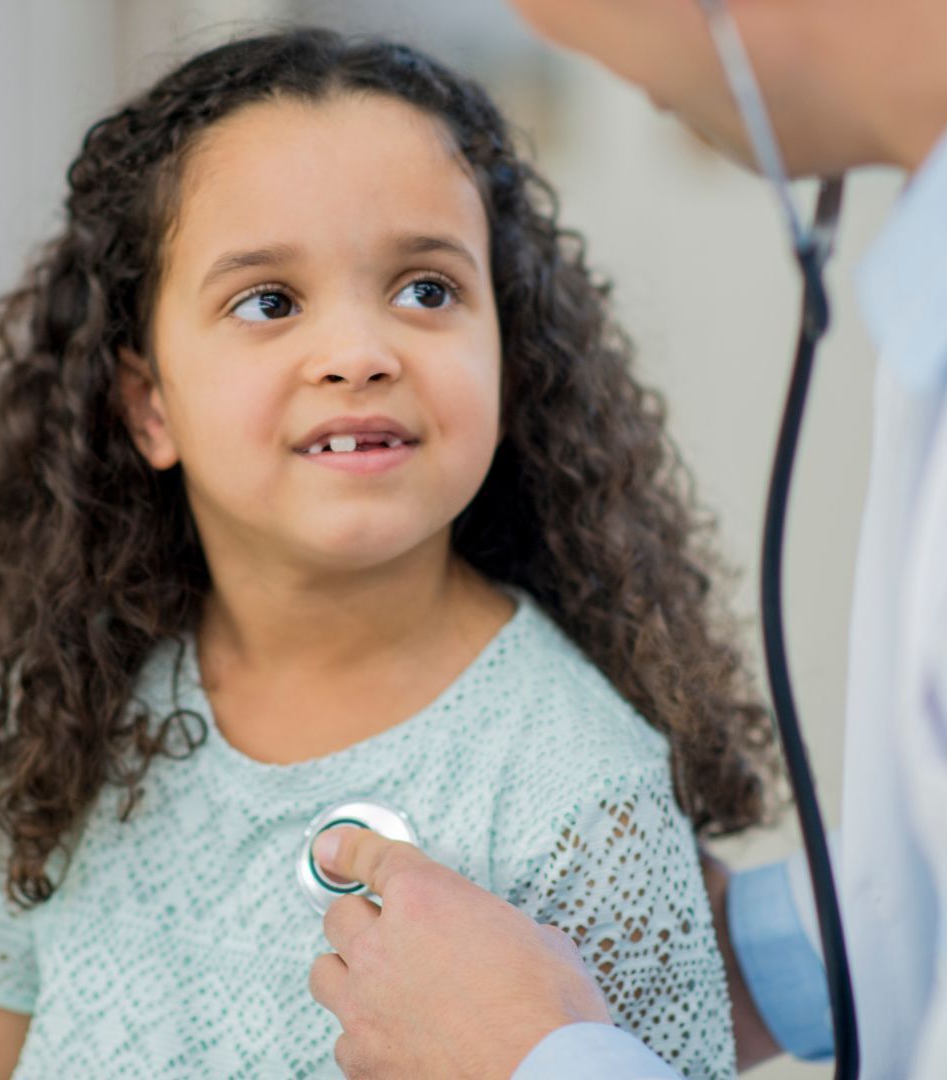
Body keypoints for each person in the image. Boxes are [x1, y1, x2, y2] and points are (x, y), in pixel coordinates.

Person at [0, 26, 779, 1080]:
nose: (358, 354)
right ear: (148, 405)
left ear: (511, 361)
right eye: (269, 302)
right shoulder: (46, 730)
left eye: (428, 290)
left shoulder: (586, 803)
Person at [307, 1, 947, 1078]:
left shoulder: (574, 749)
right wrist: (718, 953)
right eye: (270, 299)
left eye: (428, 291)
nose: (543, 25)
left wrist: (528, 1057)